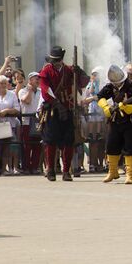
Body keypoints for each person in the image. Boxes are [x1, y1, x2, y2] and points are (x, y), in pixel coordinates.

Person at [38, 46, 89, 181]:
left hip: (68, 109)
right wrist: (57, 104)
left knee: (68, 141)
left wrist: (80, 72)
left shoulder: (68, 70)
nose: (57, 62)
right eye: (55, 60)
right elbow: (45, 90)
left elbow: (83, 83)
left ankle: (66, 171)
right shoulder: (46, 71)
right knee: (51, 141)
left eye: (59, 59)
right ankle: (51, 170)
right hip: (52, 110)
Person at [97, 65, 132, 184]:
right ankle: (112, 172)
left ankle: (130, 175)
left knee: (130, 148)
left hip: (130, 121)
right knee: (111, 146)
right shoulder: (110, 86)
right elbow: (100, 96)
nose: (116, 85)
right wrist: (105, 107)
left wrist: (126, 106)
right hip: (115, 120)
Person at [0, 75, 21, 175]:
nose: (3, 85)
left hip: (9, 124)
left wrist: (7, 111)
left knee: (7, 147)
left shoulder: (12, 94)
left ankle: (4, 168)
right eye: (1, 83)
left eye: (5, 83)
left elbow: (17, 109)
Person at [18, 71, 42, 174]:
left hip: (38, 121)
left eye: (38, 78)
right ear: (30, 80)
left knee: (37, 145)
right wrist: (30, 91)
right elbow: (26, 101)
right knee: (27, 146)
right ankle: (26, 167)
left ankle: (35, 167)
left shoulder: (41, 91)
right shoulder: (22, 91)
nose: (37, 80)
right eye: (35, 78)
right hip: (27, 122)